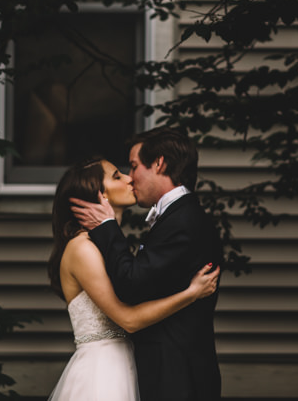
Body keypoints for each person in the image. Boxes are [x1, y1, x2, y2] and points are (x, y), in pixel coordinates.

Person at [47, 156, 220, 401]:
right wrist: (191, 294)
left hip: (128, 367)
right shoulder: (82, 249)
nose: (130, 178)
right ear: (101, 195)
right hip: (102, 374)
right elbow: (128, 320)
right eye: (118, 176)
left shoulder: (107, 247)